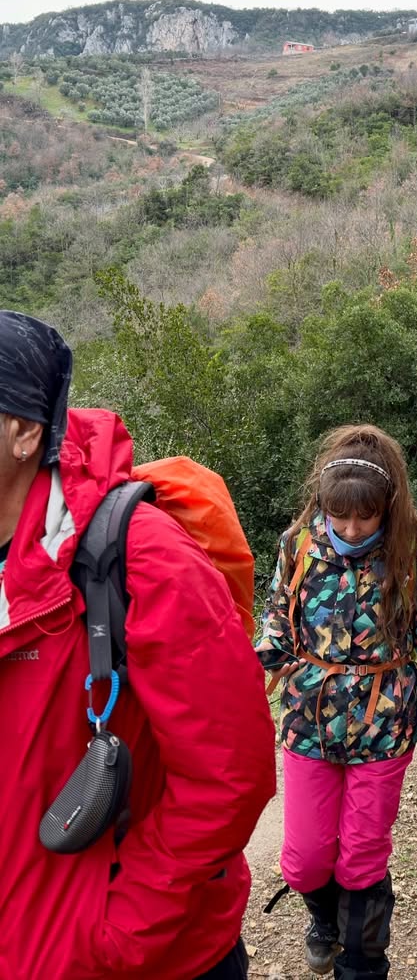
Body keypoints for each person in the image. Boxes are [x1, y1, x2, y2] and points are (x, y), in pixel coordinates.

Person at [0, 310, 276, 980]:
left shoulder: (139, 556)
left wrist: (120, 934)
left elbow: (230, 775)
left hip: (136, 957)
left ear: (25, 431)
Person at [257, 424, 417, 979]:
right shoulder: (297, 544)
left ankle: (364, 962)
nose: (351, 528)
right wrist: (237, 680)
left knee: (361, 857)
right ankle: (323, 920)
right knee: (304, 861)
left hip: (383, 725)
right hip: (308, 722)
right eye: (340, 515)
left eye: (365, 517)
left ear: (387, 508)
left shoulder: (411, 549)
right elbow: (277, 625)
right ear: (322, 504)